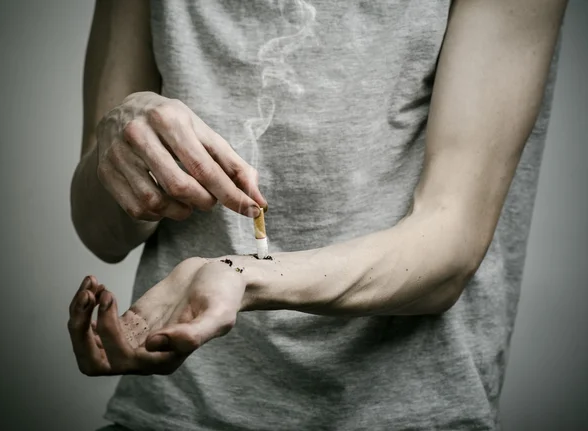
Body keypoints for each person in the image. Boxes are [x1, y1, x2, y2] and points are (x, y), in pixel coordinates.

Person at [67, 0, 568, 429]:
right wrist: (118, 140)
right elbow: (103, 234)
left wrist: (241, 276)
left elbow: (451, 244)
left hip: (403, 413)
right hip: (171, 411)